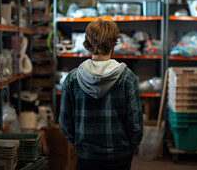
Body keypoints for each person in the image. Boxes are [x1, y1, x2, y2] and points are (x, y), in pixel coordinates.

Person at [59, 18, 143, 170]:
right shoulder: (127, 77)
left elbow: (65, 124)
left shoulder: (72, 78)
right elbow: (135, 126)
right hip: (119, 157)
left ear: (87, 43)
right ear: (114, 43)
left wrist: (81, 146)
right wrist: (128, 148)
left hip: (86, 156)